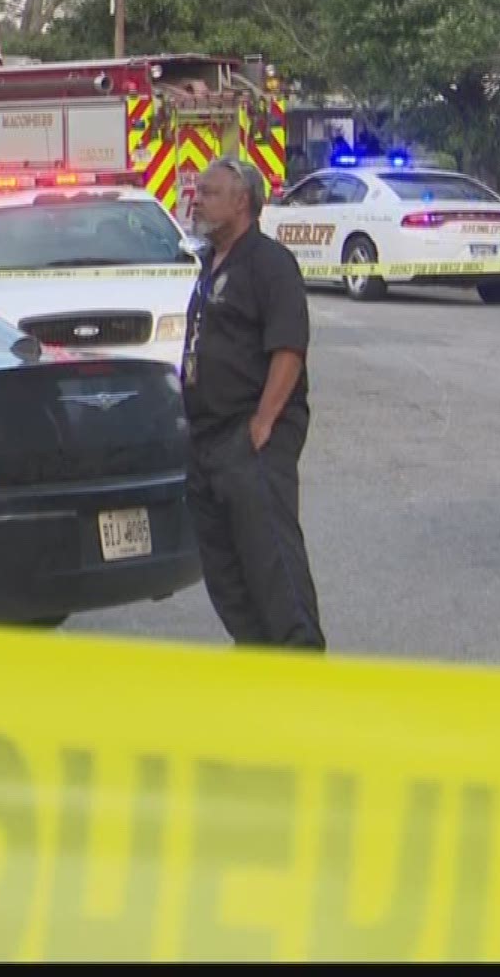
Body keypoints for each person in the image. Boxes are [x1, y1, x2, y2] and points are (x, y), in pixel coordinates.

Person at [180, 158, 325, 650]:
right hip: (206, 439)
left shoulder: (269, 263)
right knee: (224, 564)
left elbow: (289, 347)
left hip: (251, 434)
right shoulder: (209, 262)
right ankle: (259, 659)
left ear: (242, 201)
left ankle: (300, 663)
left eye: (210, 192)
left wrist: (263, 423)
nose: (198, 199)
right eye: (199, 191)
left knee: (270, 558)